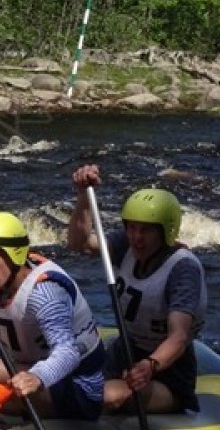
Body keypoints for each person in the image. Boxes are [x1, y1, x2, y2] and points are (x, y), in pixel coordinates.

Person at [0, 211, 106, 421]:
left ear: (13, 253)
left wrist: (36, 377)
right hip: (28, 372)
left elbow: (67, 352)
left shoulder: (45, 293)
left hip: (76, 388)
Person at [68, 163, 207, 414]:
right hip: (124, 351)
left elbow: (179, 336)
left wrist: (150, 365)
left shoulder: (183, 268)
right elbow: (81, 244)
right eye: (131, 227)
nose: (136, 237)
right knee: (69, 381)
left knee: (106, 397)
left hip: (167, 373)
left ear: (166, 231)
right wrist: (83, 198)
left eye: (146, 231)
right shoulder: (126, 245)